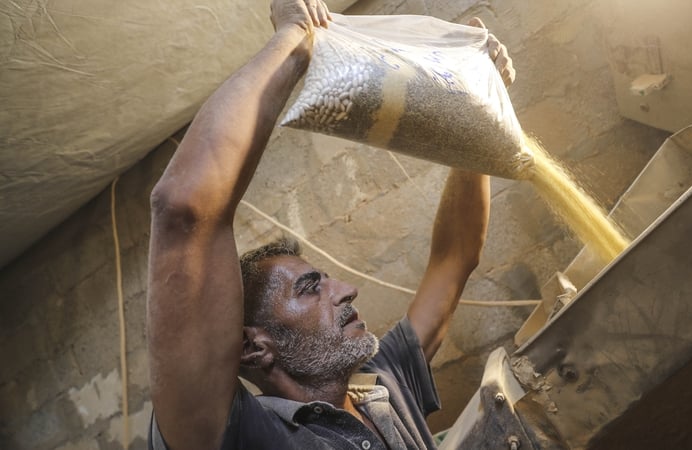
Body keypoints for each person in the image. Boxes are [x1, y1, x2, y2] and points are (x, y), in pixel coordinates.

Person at [146, 0, 515, 448]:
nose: (346, 290)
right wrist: (294, 43)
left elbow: (456, 256)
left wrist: (479, 111)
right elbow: (183, 209)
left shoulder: (383, 383)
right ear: (253, 347)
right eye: (309, 288)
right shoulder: (240, 434)